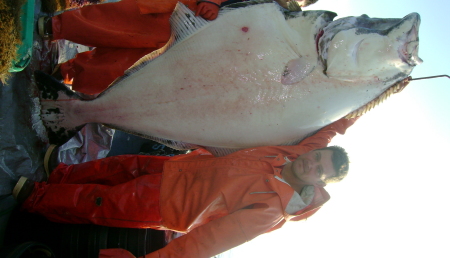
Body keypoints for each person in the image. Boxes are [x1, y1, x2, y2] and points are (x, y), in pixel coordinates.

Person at [13, 117, 354, 258]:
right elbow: (333, 128)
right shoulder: (289, 155)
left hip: (166, 204)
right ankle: (58, 177)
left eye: (319, 170)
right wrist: (375, 95)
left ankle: (36, 197)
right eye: (317, 156)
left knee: (100, 201)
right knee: (113, 167)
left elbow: (207, 243)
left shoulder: (272, 211)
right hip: (176, 166)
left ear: (318, 185)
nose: (312, 163)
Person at [40, 0, 325, 94]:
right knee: (110, 22)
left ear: (300, 5)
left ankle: (67, 74)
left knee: (120, 67)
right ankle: (54, 27)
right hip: (173, 7)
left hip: (182, 48)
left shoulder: (277, 27)